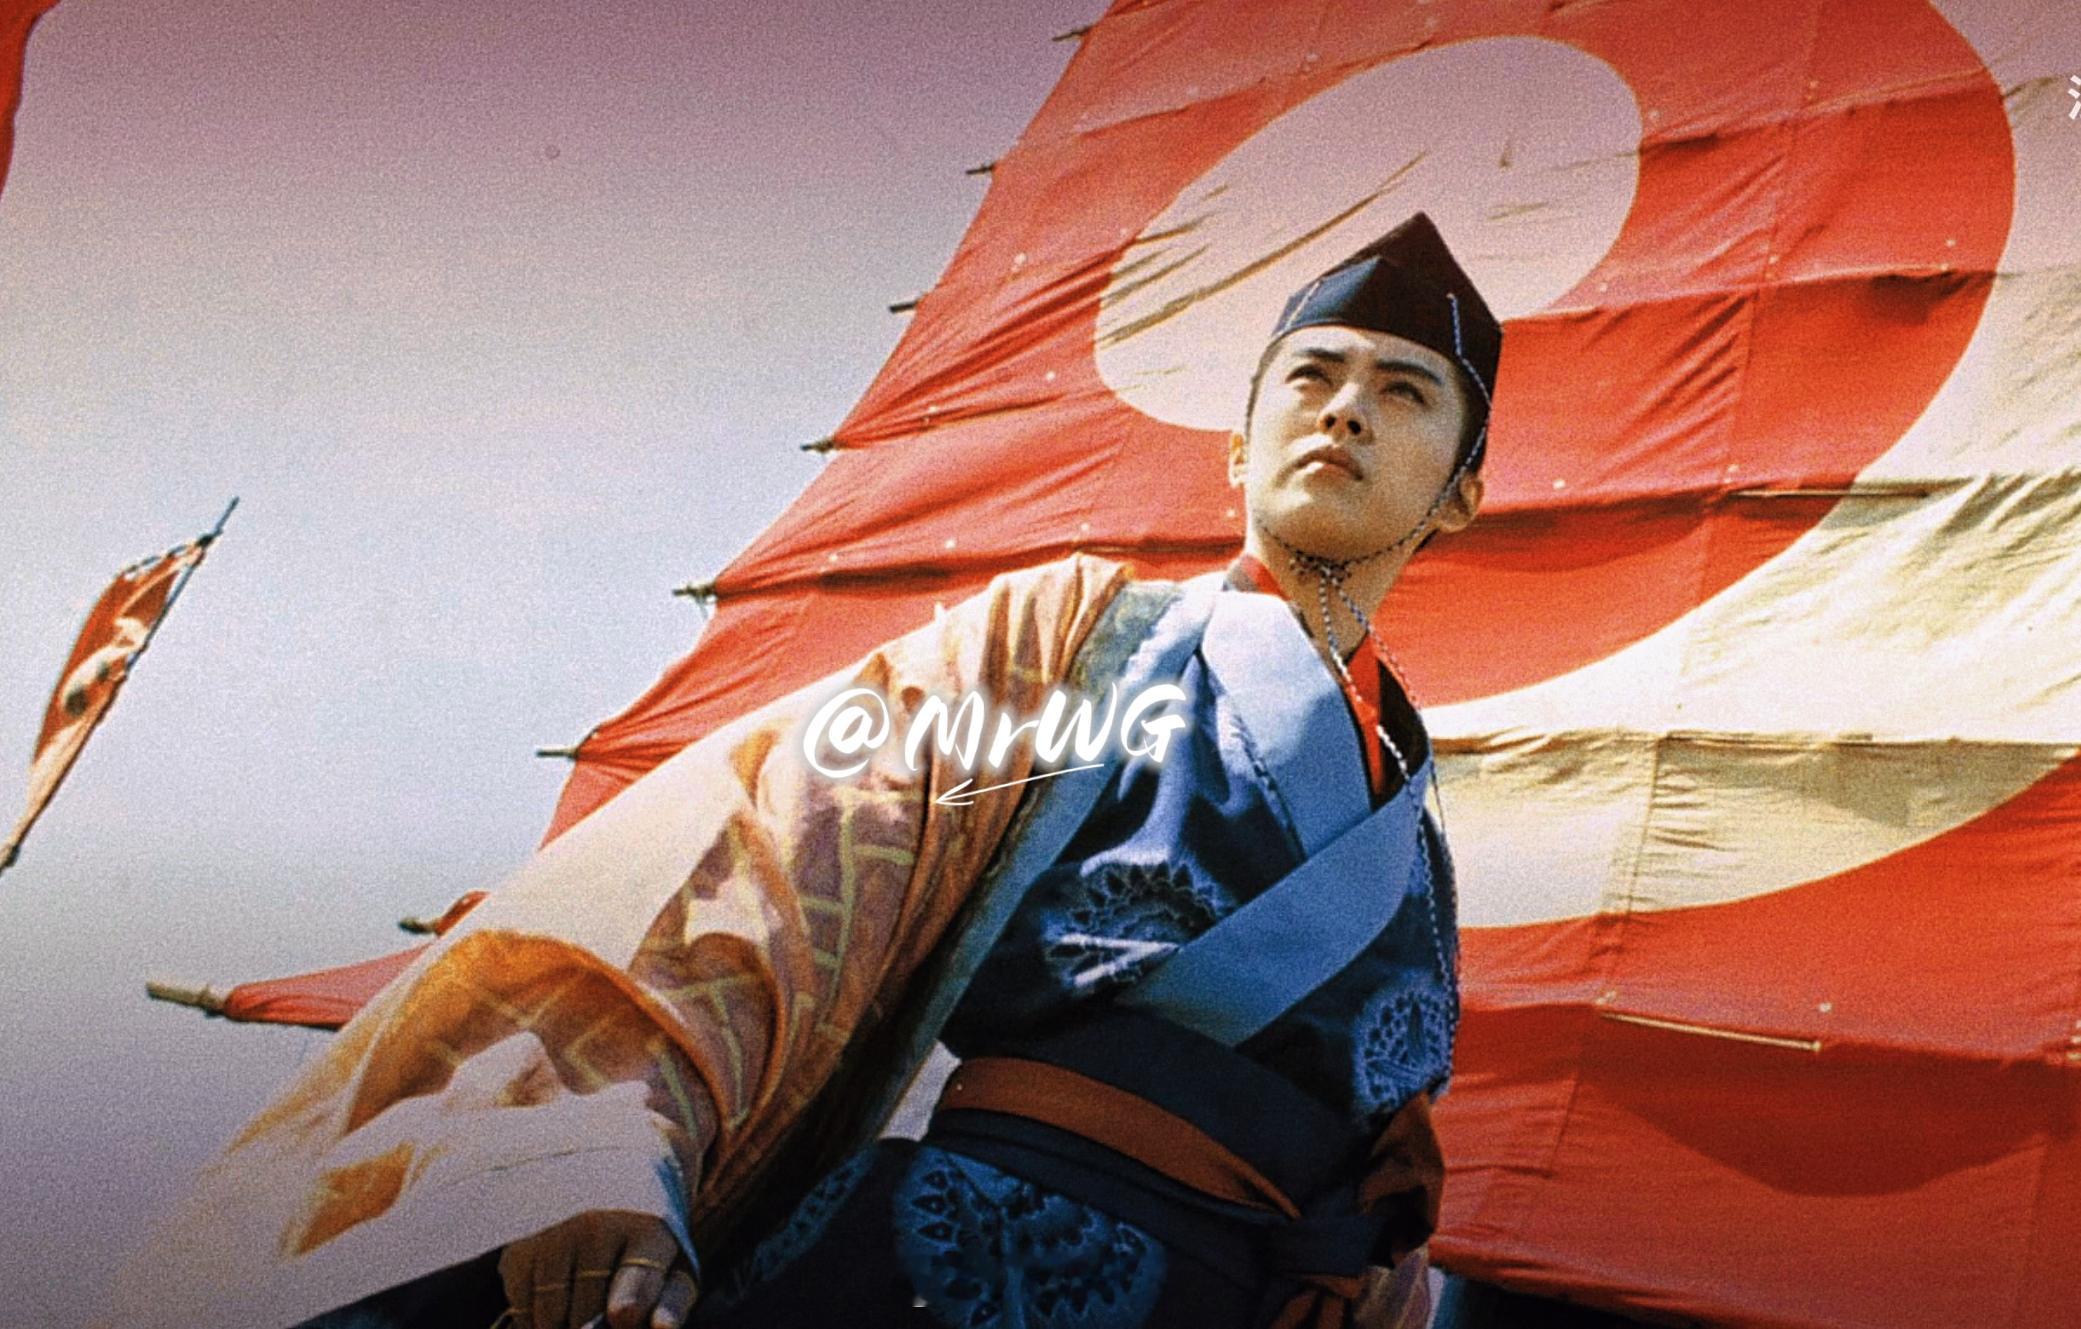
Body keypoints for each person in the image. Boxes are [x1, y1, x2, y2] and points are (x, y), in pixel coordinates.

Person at [112, 211, 1500, 1329]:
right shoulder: (1080, 645)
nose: (1344, 411)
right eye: (1309, 376)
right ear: (1236, 450)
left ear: (1460, 492)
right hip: (956, 1256)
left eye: (1402, 392)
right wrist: (604, 1141)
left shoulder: (1416, 831)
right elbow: (784, 850)